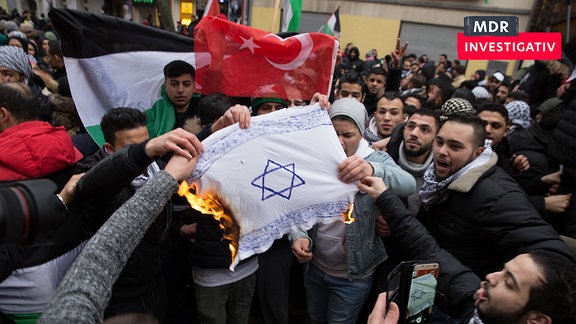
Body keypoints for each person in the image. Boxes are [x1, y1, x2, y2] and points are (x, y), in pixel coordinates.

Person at [38, 137, 203, 324]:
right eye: (132, 148)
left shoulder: (158, 165)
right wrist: (166, 180)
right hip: (125, 294)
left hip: (156, 283)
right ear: (110, 148)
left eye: (146, 143)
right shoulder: (93, 182)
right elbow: (105, 250)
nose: (148, 155)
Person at [290, 98, 416, 323]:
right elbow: (299, 204)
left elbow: (408, 184)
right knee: (315, 317)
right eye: (333, 133)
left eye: (347, 135)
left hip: (353, 276)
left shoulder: (375, 158)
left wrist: (372, 169)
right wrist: (299, 236)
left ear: (362, 133)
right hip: (315, 268)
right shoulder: (315, 159)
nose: (339, 141)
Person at [417, 111, 576, 279]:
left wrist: (504, 287)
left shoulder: (496, 195)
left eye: (455, 146)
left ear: (477, 153)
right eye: (439, 142)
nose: (442, 151)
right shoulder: (438, 180)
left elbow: (553, 253)